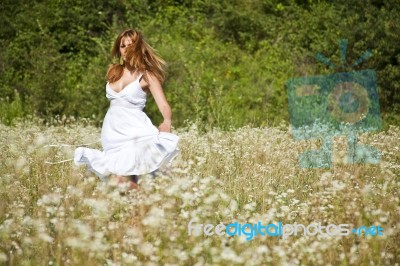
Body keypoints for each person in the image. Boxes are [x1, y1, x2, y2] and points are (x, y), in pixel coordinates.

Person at [74, 29, 179, 189]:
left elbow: (164, 104)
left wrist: (167, 121)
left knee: (129, 182)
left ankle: (145, 204)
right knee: (116, 179)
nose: (125, 49)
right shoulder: (114, 73)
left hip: (135, 131)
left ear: (138, 47)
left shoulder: (146, 75)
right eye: (122, 46)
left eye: (130, 45)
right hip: (112, 134)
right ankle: (142, 204)